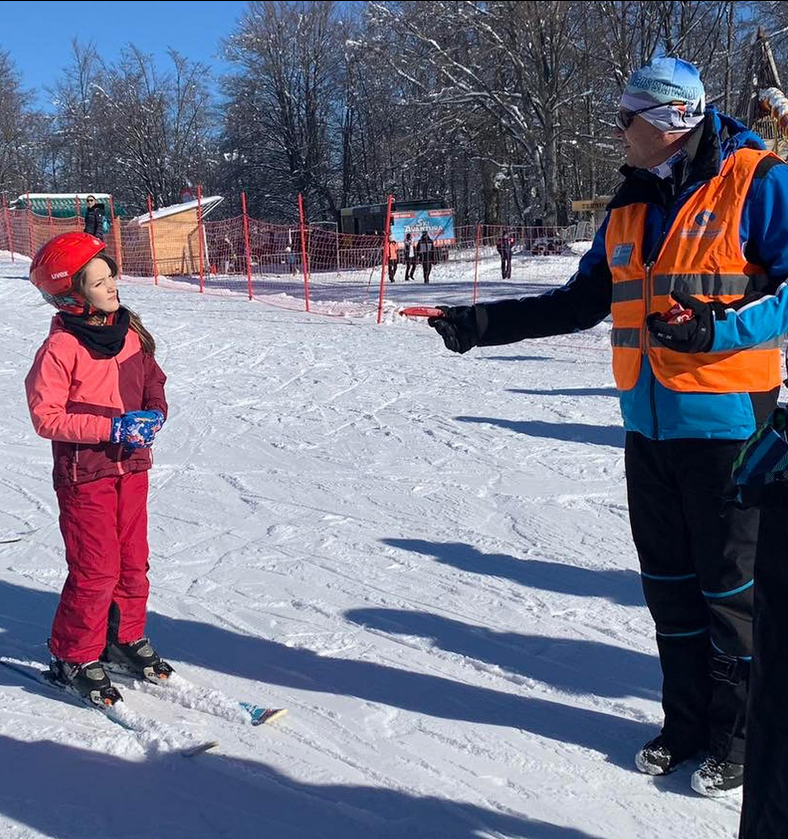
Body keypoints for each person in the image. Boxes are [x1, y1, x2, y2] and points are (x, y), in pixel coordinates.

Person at [427, 56, 788, 797]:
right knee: (669, 588)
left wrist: (716, 328)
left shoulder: (758, 180)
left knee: (731, 594)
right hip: (648, 429)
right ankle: (685, 725)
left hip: (730, 428)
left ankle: (739, 738)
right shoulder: (630, 203)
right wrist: (481, 325)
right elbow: (580, 300)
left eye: (626, 119)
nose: (617, 131)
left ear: (670, 122)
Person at [24, 232, 173, 707]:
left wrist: (155, 413)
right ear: (73, 294)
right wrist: (112, 428)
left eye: (111, 275)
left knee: (133, 561)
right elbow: (46, 417)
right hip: (85, 473)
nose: (112, 285)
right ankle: (73, 655)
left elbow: (153, 381)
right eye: (99, 281)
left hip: (133, 467)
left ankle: (122, 637)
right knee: (95, 568)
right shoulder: (61, 347)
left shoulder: (130, 333)